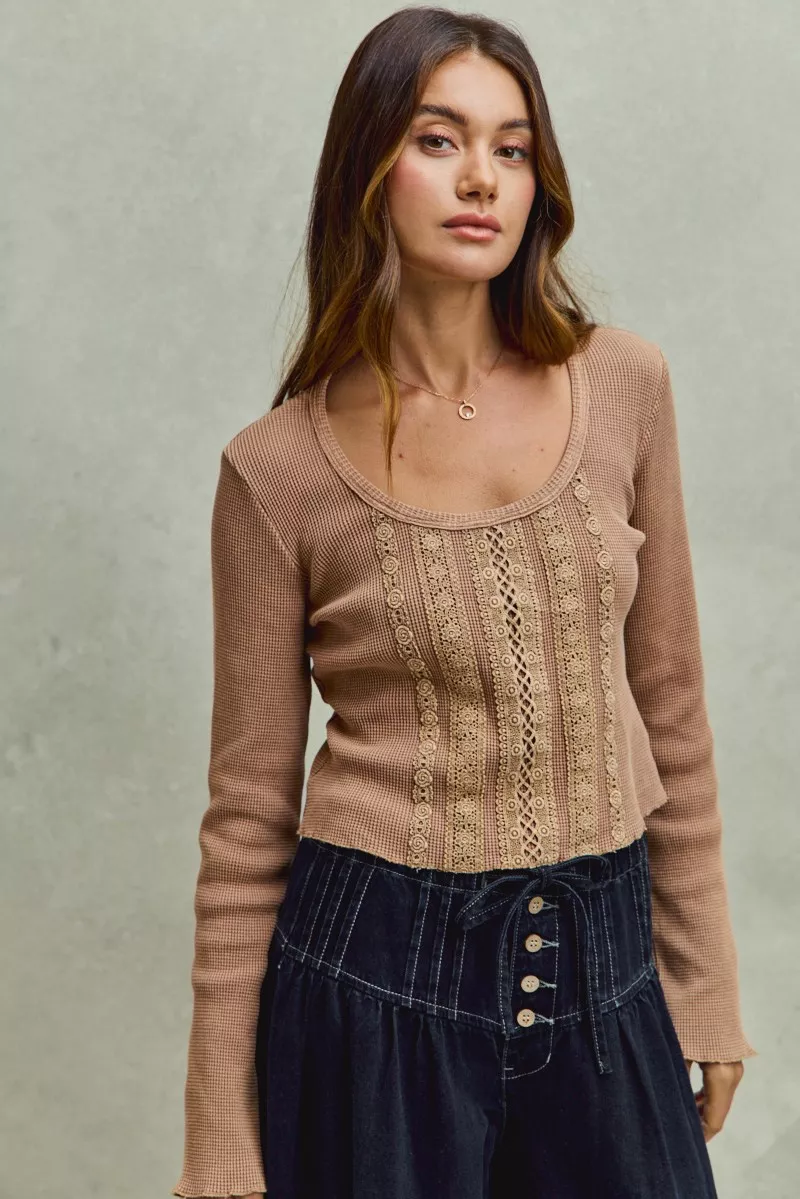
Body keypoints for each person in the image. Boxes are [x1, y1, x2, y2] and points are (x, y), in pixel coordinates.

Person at [172, 7, 757, 1197]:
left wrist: (702, 984)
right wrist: (218, 1129)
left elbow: (670, 704)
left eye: (512, 147)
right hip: (370, 988)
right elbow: (244, 820)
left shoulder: (623, 384)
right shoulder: (275, 473)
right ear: (368, 168)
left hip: (606, 974)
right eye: (438, 140)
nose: (481, 177)